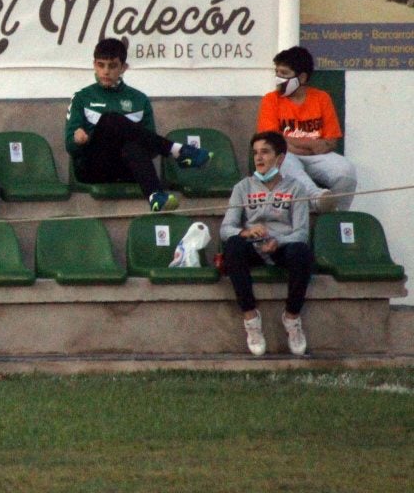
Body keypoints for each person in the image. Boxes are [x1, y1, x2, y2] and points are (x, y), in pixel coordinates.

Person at [65, 38, 211, 212]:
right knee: (111, 119)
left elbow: (150, 148)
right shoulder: (82, 98)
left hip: (127, 169)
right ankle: (177, 150)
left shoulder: (139, 99)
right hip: (94, 168)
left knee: (132, 146)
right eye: (100, 65)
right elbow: (70, 146)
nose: (105, 71)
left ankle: (156, 196)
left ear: (123, 68)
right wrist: (77, 140)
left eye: (112, 66)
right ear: (94, 65)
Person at [220, 131, 313, 357]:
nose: (259, 158)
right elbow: (225, 229)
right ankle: (251, 319)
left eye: (265, 152)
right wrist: (246, 232)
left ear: (280, 158)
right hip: (253, 245)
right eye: (255, 153)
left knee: (302, 253)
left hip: (282, 246)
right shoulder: (243, 187)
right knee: (233, 246)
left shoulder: (296, 189)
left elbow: (301, 233)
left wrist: (277, 240)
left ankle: (291, 318)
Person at [256, 46, 355, 212]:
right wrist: (311, 145)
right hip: (287, 156)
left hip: (318, 157)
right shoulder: (270, 100)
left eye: (284, 74)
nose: (278, 78)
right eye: (277, 72)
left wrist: (292, 143)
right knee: (281, 159)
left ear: (301, 77)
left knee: (346, 171)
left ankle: (335, 215)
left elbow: (330, 142)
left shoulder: (321, 98)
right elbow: (273, 142)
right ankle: (318, 200)